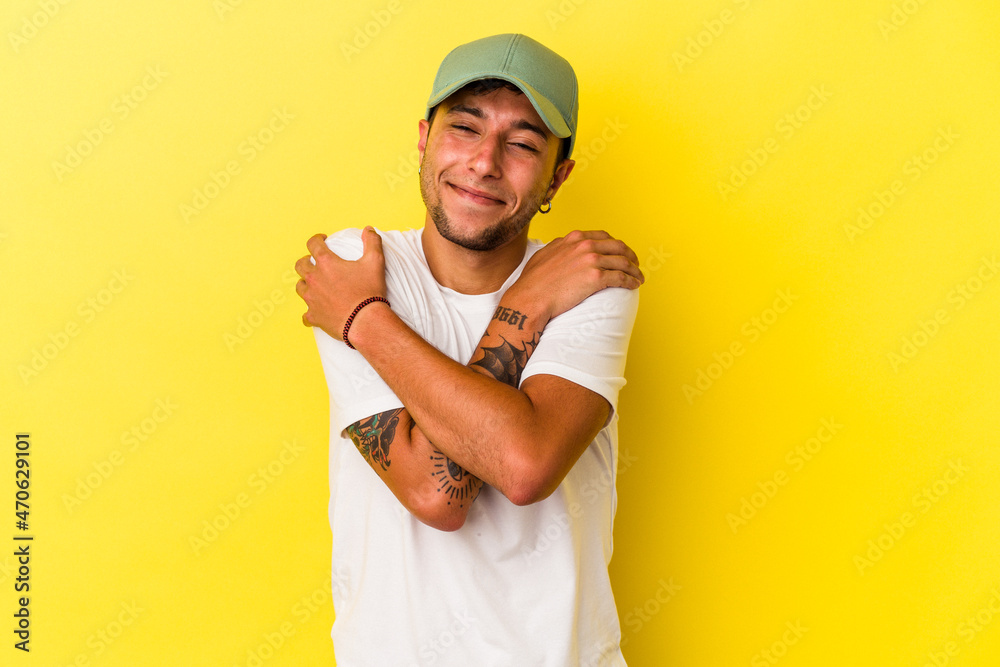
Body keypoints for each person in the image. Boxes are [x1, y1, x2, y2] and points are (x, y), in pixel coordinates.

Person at [295, 33, 643, 666]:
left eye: (523, 144)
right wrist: (529, 304)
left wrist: (363, 320)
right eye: (465, 128)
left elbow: (523, 465)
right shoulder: (360, 265)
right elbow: (437, 496)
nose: (485, 162)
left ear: (556, 178)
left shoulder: (588, 279)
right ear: (425, 139)